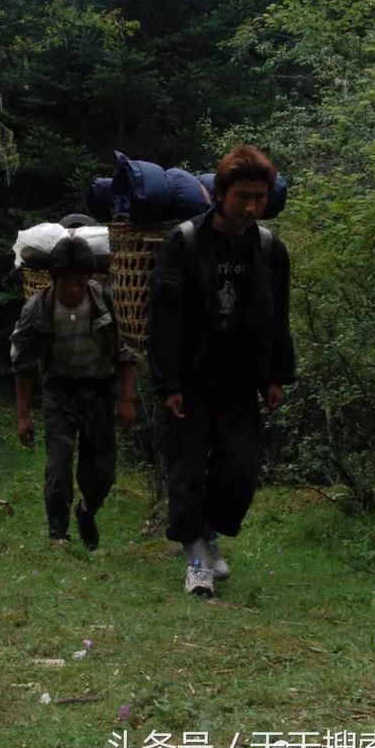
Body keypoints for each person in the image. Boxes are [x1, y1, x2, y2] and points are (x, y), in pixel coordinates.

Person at [147, 145, 295, 596]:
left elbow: (278, 316)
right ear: (220, 195)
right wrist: (167, 383)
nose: (250, 207)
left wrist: (275, 375)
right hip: (191, 379)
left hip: (240, 380)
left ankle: (209, 534)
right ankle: (196, 559)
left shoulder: (268, 248)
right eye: (242, 197)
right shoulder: (185, 242)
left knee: (241, 470)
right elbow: (164, 317)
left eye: (259, 197)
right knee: (188, 471)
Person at [10, 236, 137, 548]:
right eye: (66, 282)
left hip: (99, 389)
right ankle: (58, 535)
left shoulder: (105, 302)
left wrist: (127, 400)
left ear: (89, 279)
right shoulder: (37, 310)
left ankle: (87, 511)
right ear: (53, 280)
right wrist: (23, 416)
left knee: (103, 471)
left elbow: (125, 353)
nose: (73, 289)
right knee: (58, 466)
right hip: (59, 391)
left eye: (80, 281)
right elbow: (23, 365)